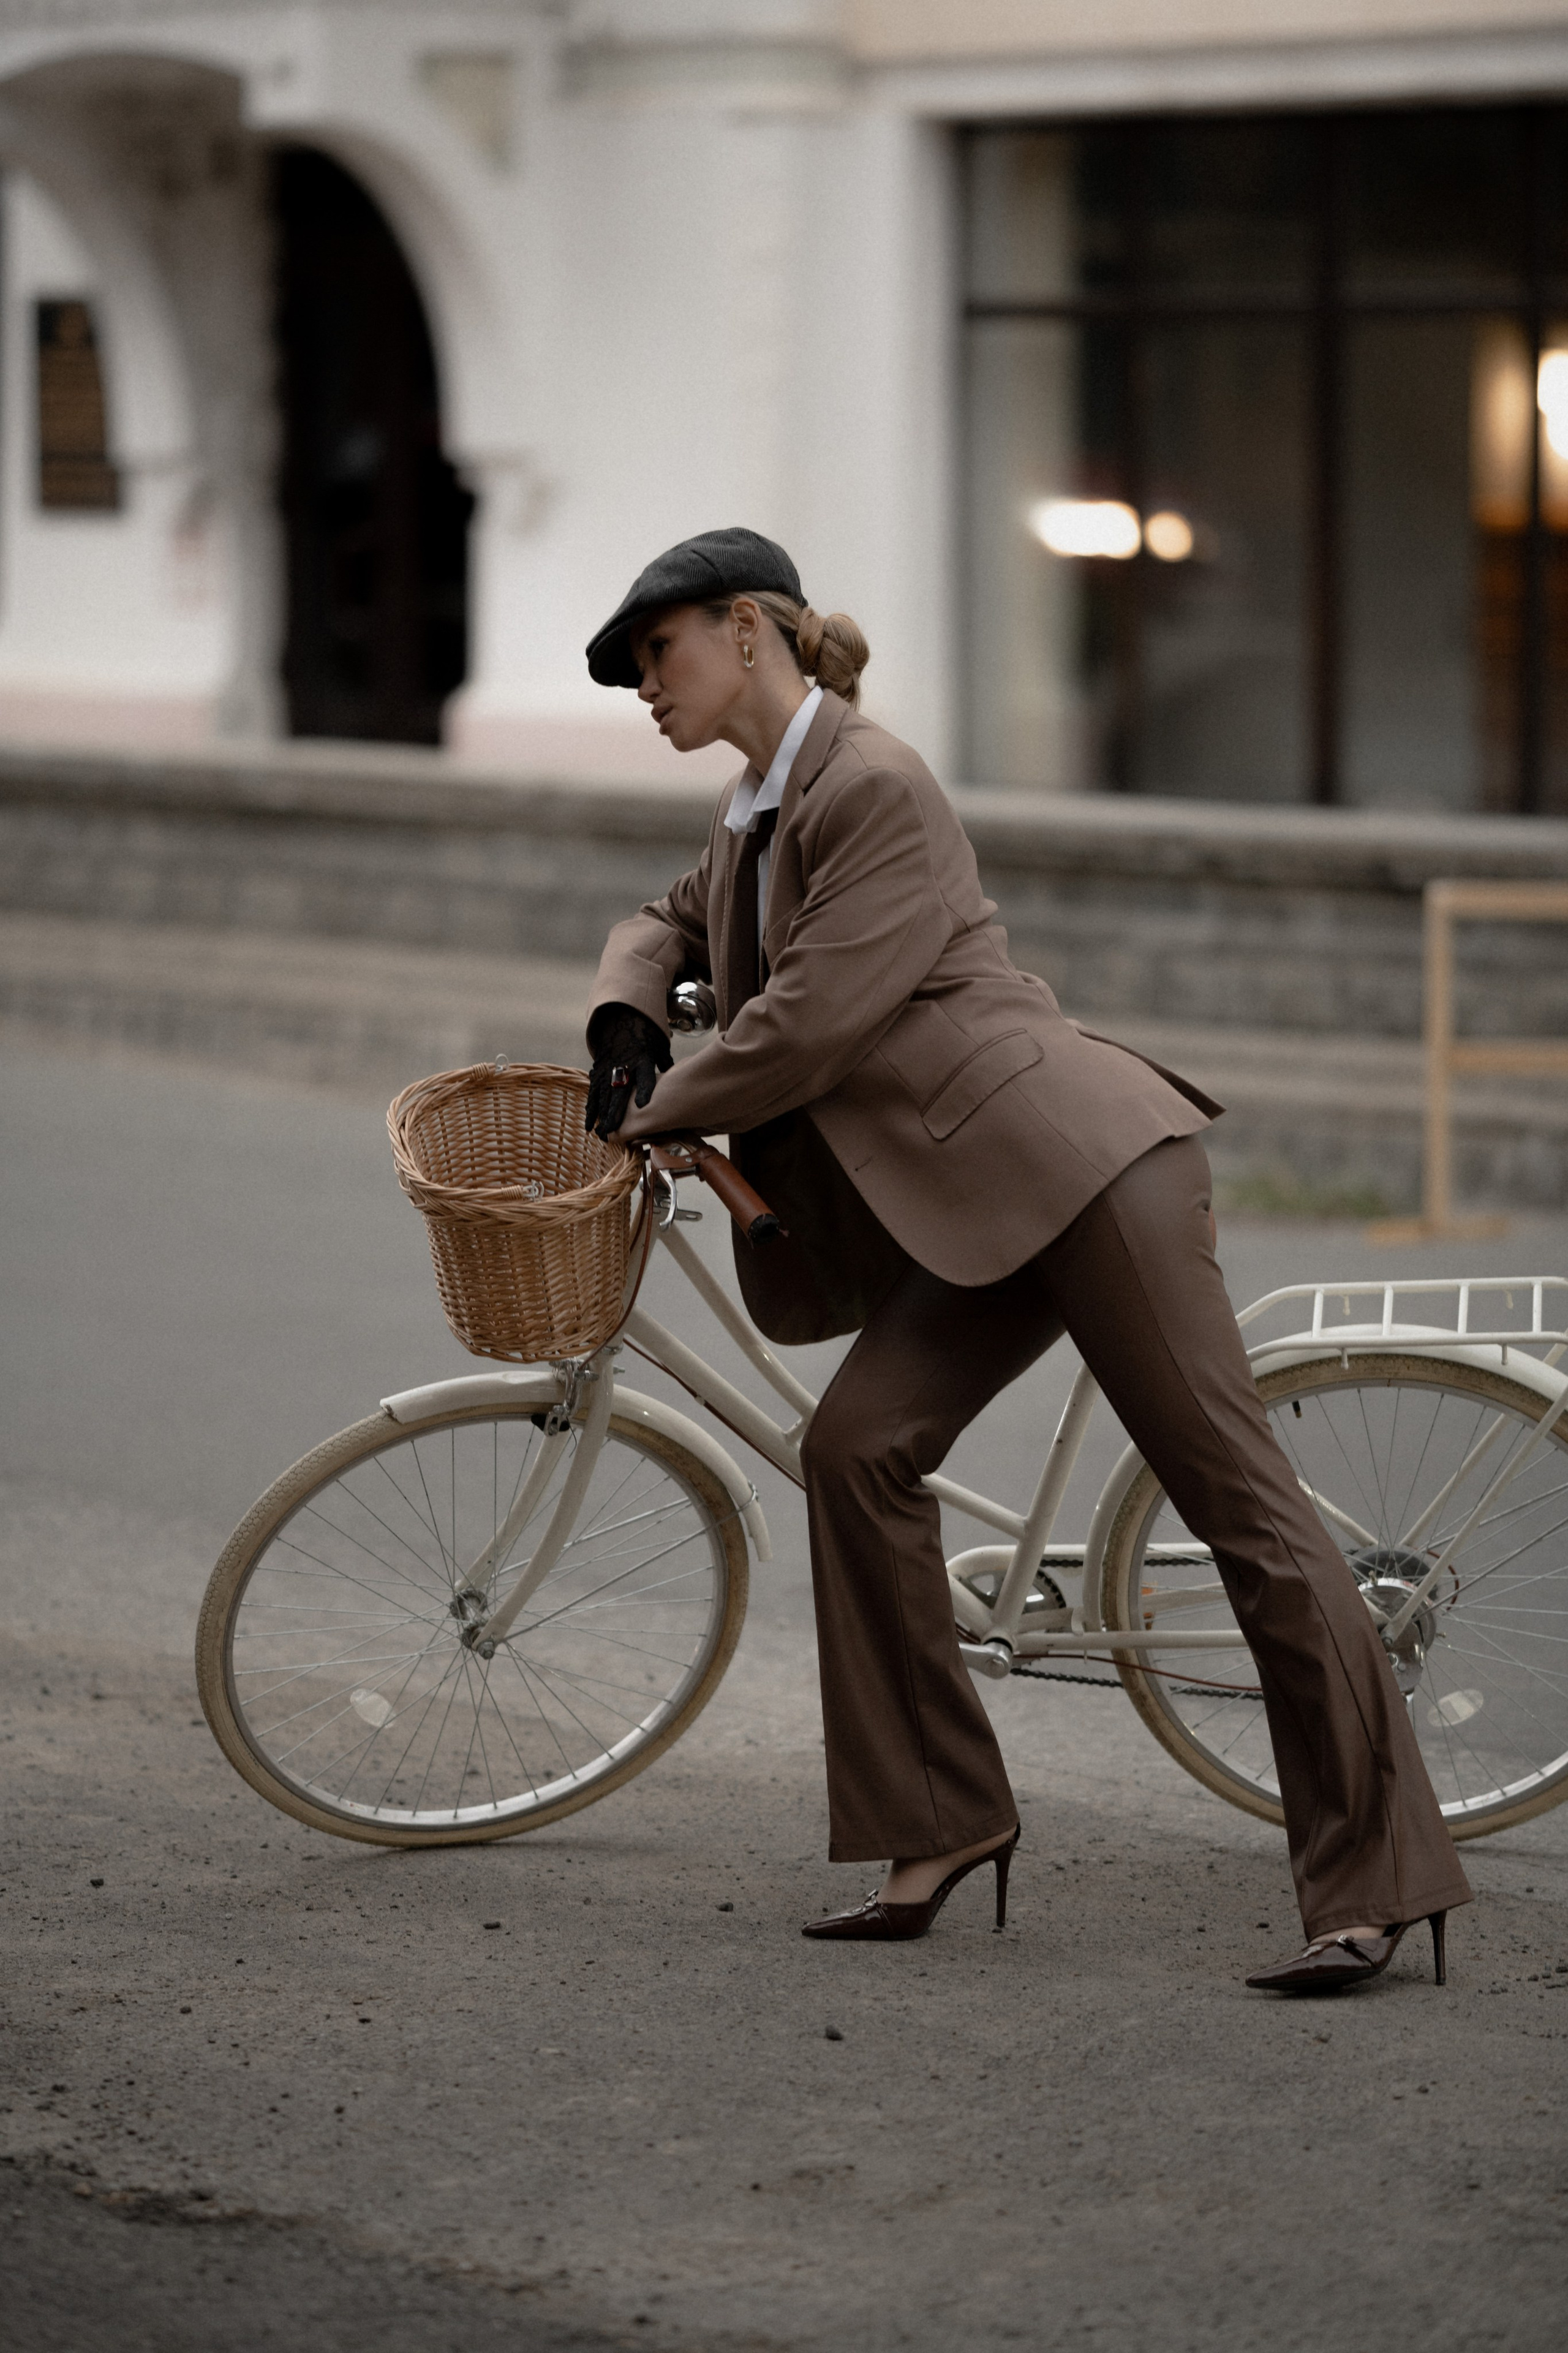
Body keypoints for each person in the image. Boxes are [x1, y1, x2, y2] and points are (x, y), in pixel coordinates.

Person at [580, 526, 1471, 1993]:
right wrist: (626, 1015)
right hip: (974, 1203)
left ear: (747, 628)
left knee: (1239, 1507)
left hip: (1087, 1172)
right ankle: (939, 1823)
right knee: (856, 1450)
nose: (641, 687)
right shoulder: (755, 807)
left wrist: (652, 1108)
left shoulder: (869, 783)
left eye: (653, 653)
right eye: (627, 672)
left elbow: (811, 1018)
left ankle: (1376, 1883)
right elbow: (664, 921)